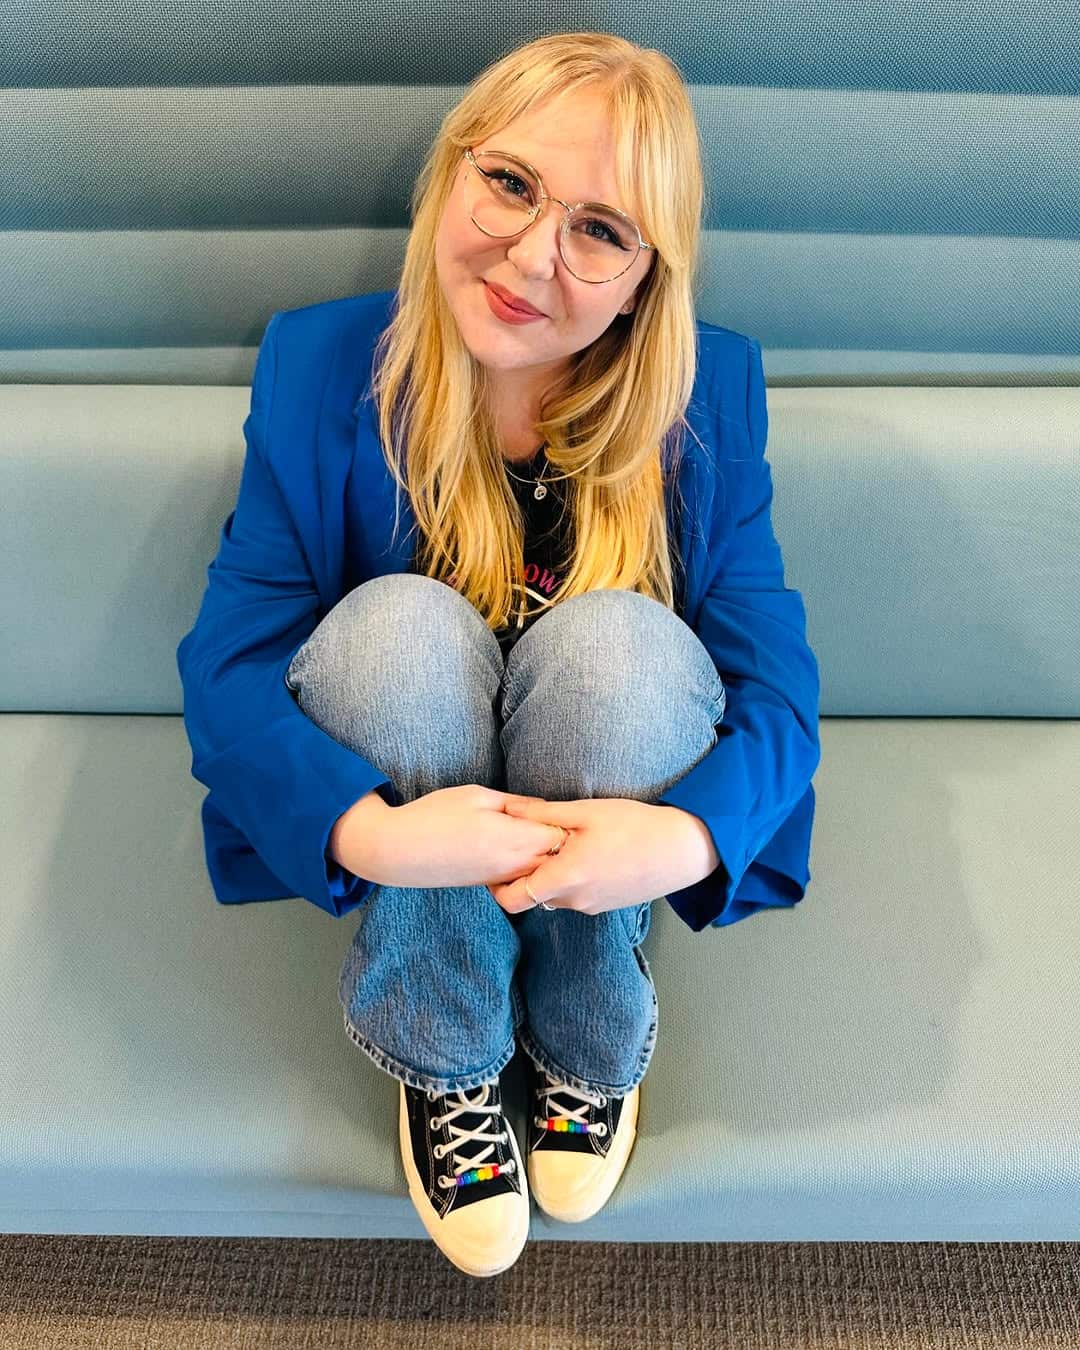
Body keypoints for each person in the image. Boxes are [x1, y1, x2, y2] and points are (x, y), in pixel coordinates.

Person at [176, 31, 821, 1279]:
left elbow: (777, 681)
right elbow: (233, 657)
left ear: (645, 279)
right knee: (402, 627)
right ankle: (449, 1043)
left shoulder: (710, 392)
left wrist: (679, 840)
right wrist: (371, 836)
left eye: (601, 230)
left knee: (620, 646)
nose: (532, 257)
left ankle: (589, 1012)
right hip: (412, 774)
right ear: (452, 178)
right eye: (512, 184)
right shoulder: (319, 363)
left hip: (608, 764)